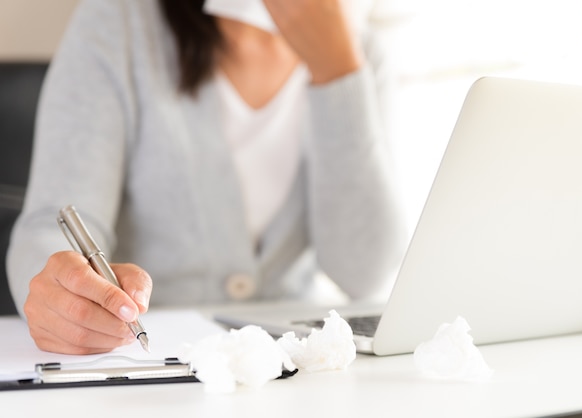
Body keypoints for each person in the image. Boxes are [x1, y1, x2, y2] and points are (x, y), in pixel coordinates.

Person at [7, 0, 406, 355]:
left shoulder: (361, 52)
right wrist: (61, 292)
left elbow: (364, 273)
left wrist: (337, 70)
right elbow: (53, 222)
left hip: (292, 360)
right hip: (158, 357)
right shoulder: (119, 24)